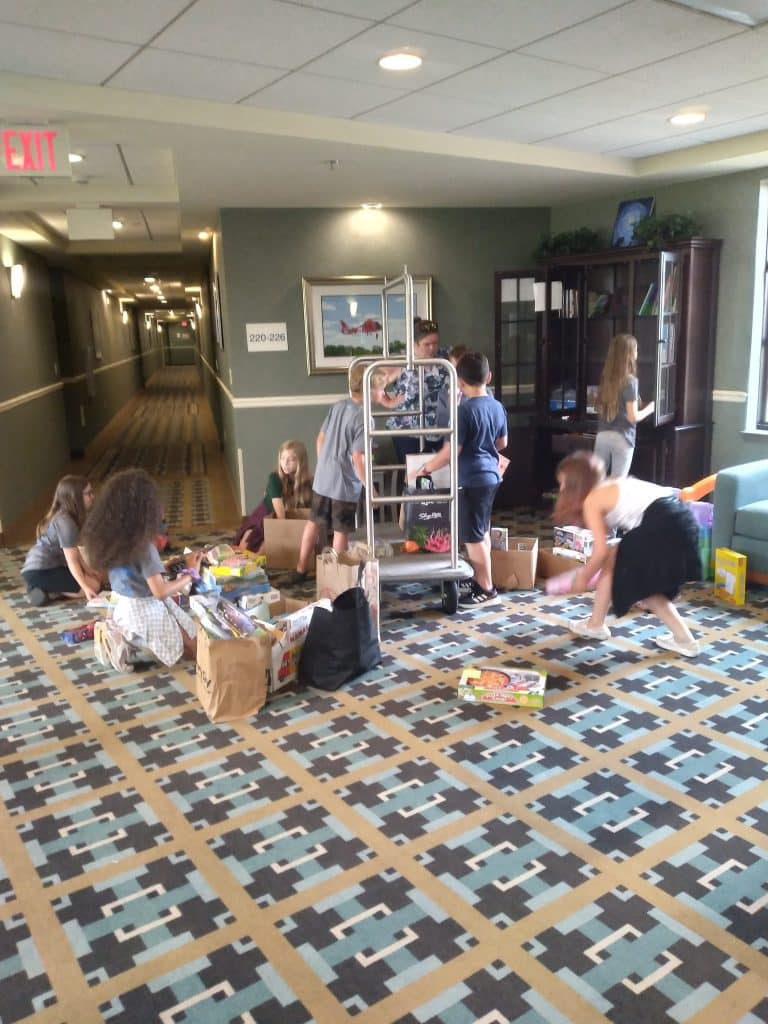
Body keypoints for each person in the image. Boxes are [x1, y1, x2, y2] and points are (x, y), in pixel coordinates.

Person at [554, 450, 702, 656]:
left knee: (645, 586)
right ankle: (595, 624)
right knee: (615, 559)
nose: (561, 489)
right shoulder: (610, 485)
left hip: (662, 523)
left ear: (575, 485)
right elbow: (608, 550)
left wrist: (583, 577)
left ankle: (685, 639)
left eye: (563, 483)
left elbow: (600, 550)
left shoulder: (592, 500)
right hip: (682, 518)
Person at [80, 468, 202, 665]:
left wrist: (168, 566)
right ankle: (126, 642)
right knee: (197, 650)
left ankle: (126, 638)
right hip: (147, 610)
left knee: (186, 634)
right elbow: (160, 592)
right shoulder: (144, 547)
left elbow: (136, 571)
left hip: (124, 608)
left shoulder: (113, 538)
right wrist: (191, 574)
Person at [418, 351, 507, 605]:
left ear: (459, 382)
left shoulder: (464, 412)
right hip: (492, 476)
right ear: (489, 377)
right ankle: (482, 579)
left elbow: (450, 452)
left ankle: (486, 589)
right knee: (482, 530)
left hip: (471, 479)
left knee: (473, 537)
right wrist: (483, 448)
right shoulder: (497, 406)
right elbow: (502, 442)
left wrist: (426, 468)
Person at [289, 362, 368, 583]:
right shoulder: (364, 417)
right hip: (345, 485)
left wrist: (324, 464)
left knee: (313, 523)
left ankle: (300, 568)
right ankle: (335, 577)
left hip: (324, 478)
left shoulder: (338, 406)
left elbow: (320, 439)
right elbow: (358, 458)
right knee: (341, 531)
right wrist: (369, 486)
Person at [371, 317, 450, 463]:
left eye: (435, 343)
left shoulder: (445, 357)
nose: (432, 348)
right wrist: (388, 402)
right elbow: (373, 380)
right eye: (427, 344)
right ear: (414, 344)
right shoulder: (402, 361)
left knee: (440, 473)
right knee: (415, 473)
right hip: (408, 431)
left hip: (440, 430)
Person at [21, 475, 102, 607]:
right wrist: (85, 588)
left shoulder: (66, 515)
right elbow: (72, 561)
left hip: (50, 566)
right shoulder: (66, 522)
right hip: (40, 570)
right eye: (88, 493)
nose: (92, 496)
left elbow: (74, 550)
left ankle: (45, 588)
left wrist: (88, 570)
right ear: (75, 497)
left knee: (94, 579)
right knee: (94, 586)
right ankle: (46, 590)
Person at [233, 440, 312, 552]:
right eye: (282, 458)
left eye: (291, 459)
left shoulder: (308, 482)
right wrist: (285, 535)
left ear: (301, 462)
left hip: (289, 517)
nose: (285, 463)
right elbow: (280, 515)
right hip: (267, 516)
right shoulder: (275, 478)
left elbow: (310, 511)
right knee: (250, 544)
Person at [594, 333, 654, 478]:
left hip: (602, 436)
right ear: (630, 354)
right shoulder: (630, 381)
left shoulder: (606, 379)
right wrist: (651, 408)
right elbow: (633, 417)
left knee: (596, 481)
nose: (637, 352)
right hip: (623, 437)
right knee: (617, 483)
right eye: (636, 349)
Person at [434, 344, 469, 430]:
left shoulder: (483, 392)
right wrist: (451, 408)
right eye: (454, 369)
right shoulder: (444, 394)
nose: (458, 374)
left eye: (462, 369)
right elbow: (441, 427)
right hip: (454, 437)